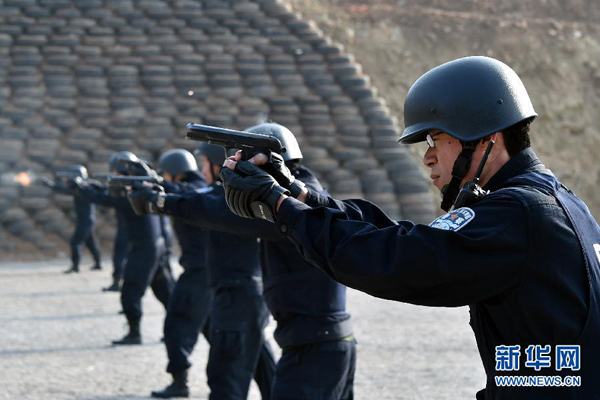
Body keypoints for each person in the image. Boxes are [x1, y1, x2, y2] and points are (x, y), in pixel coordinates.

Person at [220, 57, 600, 399]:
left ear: (485, 138)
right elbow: (410, 240)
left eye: (437, 139)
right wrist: (301, 194)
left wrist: (280, 207)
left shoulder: (517, 213)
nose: (428, 156)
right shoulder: (548, 200)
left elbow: (398, 261)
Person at [129, 124, 356, 400]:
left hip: (313, 346)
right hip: (319, 341)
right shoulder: (305, 191)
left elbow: (218, 211)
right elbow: (207, 199)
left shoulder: (287, 205)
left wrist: (162, 202)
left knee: (226, 381)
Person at [131, 147, 276, 399]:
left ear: (218, 166)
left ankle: (180, 380)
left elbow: (197, 200)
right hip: (239, 290)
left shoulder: (225, 198)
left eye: (205, 163)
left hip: (229, 289)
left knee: (223, 374)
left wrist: (160, 198)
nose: (201, 169)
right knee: (253, 353)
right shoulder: (235, 195)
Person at [76, 151, 174, 345]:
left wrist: (81, 188)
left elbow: (104, 198)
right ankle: (174, 330)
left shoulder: (131, 193)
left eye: (115, 171)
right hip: (155, 245)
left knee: (131, 291)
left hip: (145, 248)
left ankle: (135, 334)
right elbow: (107, 192)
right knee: (165, 291)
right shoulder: (142, 188)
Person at [43, 165, 102, 274]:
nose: (68, 179)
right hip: (86, 220)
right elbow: (66, 190)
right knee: (90, 242)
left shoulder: (85, 187)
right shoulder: (78, 188)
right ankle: (98, 264)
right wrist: (51, 185)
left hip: (86, 220)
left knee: (75, 242)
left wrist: (52, 185)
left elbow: (96, 189)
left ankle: (75, 267)